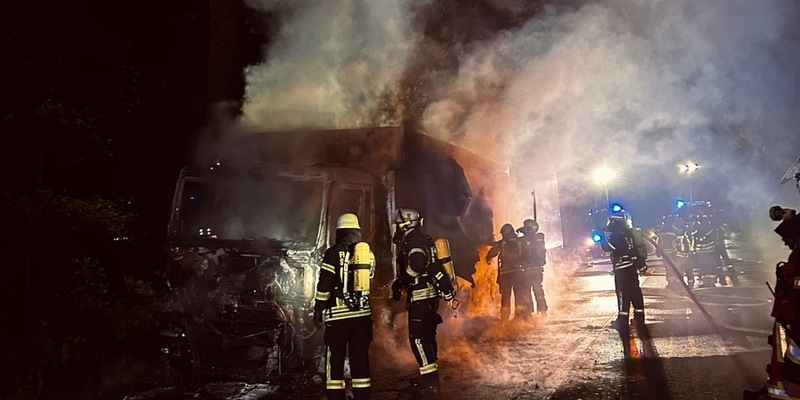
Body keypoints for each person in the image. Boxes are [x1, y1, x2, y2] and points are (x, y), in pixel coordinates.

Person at [390, 208, 455, 395]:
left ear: (406, 224)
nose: (396, 228)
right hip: (429, 296)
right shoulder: (424, 238)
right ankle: (430, 379)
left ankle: (430, 385)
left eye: (398, 224)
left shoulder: (414, 241)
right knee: (428, 338)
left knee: (418, 340)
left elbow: (418, 264)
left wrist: (402, 280)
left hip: (420, 297)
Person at [313, 213, 375, 400]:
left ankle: (335, 397)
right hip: (362, 317)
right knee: (360, 359)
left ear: (339, 231)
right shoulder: (367, 253)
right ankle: (363, 396)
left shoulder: (332, 253)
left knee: (335, 360)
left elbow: (324, 285)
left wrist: (318, 309)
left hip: (338, 318)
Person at [744, 206, 800, 399]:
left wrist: (789, 279)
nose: (785, 242)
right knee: (782, 356)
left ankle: (783, 391)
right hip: (789, 312)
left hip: (794, 314)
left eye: (787, 238)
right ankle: (774, 387)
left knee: (790, 360)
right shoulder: (797, 252)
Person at [599, 213, 645, 332]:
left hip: (622, 269)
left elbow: (609, 247)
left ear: (615, 222)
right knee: (635, 293)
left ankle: (622, 322)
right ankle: (639, 319)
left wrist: (602, 239)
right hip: (631, 268)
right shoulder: (629, 233)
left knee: (623, 295)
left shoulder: (617, 235)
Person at [486, 223, 534, 321]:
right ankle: (519, 317)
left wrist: (488, 257)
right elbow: (528, 255)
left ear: (505, 233)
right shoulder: (520, 242)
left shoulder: (502, 243)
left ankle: (504, 319)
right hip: (519, 275)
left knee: (505, 298)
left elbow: (491, 253)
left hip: (506, 276)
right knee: (519, 297)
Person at [518, 219, 548, 315]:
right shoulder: (539, 238)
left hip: (526, 269)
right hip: (537, 269)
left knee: (527, 291)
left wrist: (520, 231)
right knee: (538, 289)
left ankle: (529, 312)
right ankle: (543, 310)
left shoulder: (522, 240)